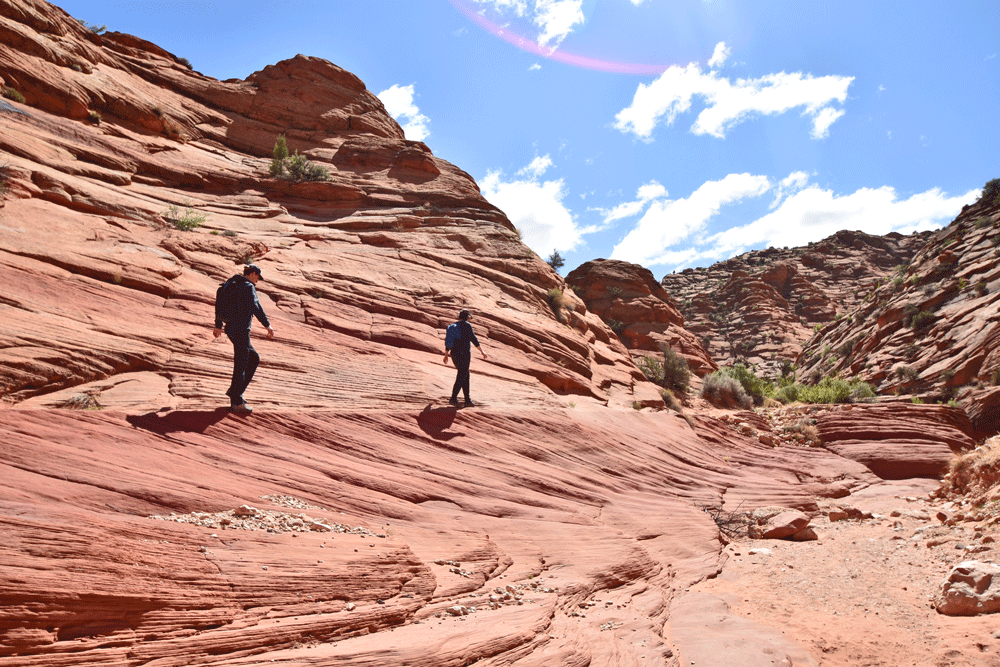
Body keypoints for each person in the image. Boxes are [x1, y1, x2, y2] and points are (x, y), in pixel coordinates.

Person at [213, 264, 275, 413]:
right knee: (241, 364)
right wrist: (267, 325)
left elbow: (219, 303)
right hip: (241, 330)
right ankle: (236, 401)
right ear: (253, 273)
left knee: (253, 358)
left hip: (231, 328)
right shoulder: (248, 286)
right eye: (258, 277)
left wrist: (218, 325)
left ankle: (235, 391)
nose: (258, 281)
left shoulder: (232, 282)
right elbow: (256, 306)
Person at [443, 309, 487, 407]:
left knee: (465, 375)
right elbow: (473, 339)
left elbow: (448, 342)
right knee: (462, 375)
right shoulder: (467, 325)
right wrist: (482, 351)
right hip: (464, 354)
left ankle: (467, 400)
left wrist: (446, 355)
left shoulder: (453, 326)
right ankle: (453, 398)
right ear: (467, 317)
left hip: (454, 354)